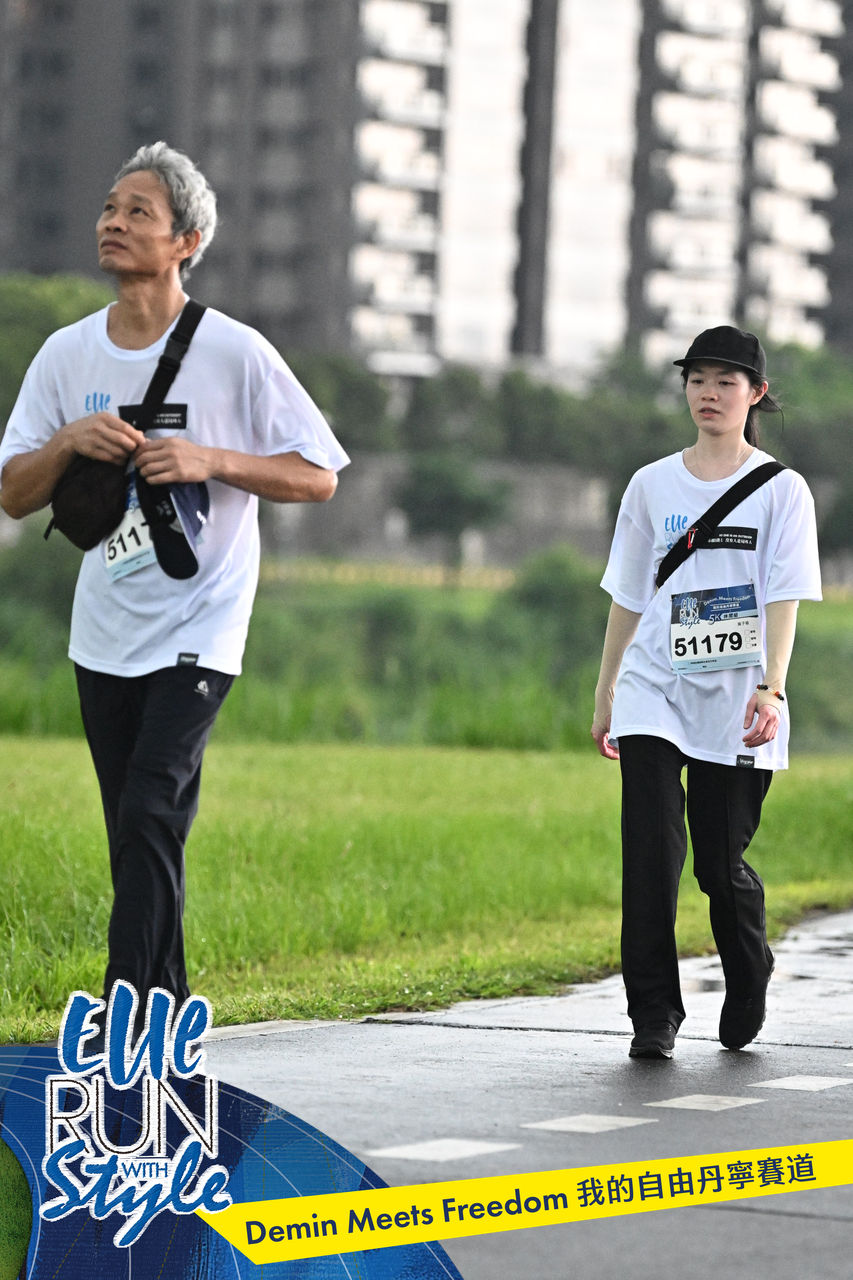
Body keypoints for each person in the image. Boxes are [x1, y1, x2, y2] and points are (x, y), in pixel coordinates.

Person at [0, 142, 349, 1030]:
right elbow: (12, 494)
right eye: (109, 208)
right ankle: (168, 1010)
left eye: (138, 212)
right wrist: (68, 442)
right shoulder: (66, 353)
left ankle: (122, 1016)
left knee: (153, 807)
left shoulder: (234, 351)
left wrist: (210, 459)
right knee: (134, 827)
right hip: (103, 629)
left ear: (186, 241)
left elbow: (317, 475)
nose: (113, 223)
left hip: (202, 622)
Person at [590, 326, 821, 1060]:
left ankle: (748, 973)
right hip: (653, 687)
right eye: (696, 380)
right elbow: (629, 594)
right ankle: (652, 1013)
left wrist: (772, 688)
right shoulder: (651, 484)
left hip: (739, 698)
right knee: (649, 855)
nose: (708, 394)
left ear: (755, 394)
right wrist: (607, 691)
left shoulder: (782, 491)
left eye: (725, 381)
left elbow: (784, 595)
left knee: (719, 866)